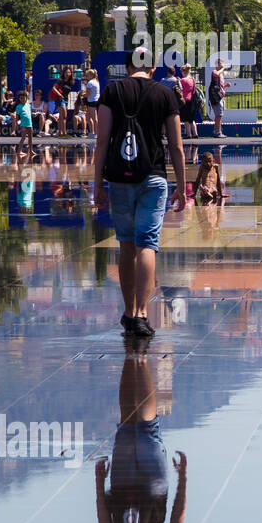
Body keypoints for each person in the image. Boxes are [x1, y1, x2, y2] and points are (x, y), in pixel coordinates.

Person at [93, 52, 186, 338]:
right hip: (154, 176)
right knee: (147, 244)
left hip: (119, 178)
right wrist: (181, 186)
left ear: (128, 67)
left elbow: (102, 141)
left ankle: (129, 311)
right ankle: (143, 315)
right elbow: (176, 145)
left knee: (126, 244)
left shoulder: (111, 92)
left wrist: (97, 184)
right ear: (154, 69)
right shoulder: (165, 94)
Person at [95, 344, 187, 523]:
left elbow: (177, 518)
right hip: (122, 485)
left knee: (148, 426)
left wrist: (183, 478)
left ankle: (142, 356)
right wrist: (99, 484)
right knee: (127, 421)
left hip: (154, 487)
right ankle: (131, 355)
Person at [177, 64, 197, 139]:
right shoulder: (192, 79)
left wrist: (179, 80)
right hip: (192, 100)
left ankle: (189, 135)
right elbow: (194, 90)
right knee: (191, 119)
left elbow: (180, 89)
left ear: (183, 71)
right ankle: (195, 134)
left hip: (185, 100)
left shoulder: (182, 80)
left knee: (185, 119)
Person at [208, 58, 227, 137]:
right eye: (220, 63)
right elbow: (216, 74)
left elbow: (220, 87)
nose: (222, 65)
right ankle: (217, 132)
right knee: (218, 114)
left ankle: (218, 131)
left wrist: (226, 86)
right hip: (216, 97)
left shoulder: (221, 75)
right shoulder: (215, 72)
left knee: (220, 115)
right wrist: (222, 69)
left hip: (220, 96)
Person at [14, 89, 34, 157]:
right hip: (23, 124)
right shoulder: (18, 107)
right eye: (21, 98)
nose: (23, 99)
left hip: (30, 124)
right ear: (19, 99)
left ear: (26, 98)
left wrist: (34, 114)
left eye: (24, 98)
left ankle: (31, 150)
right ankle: (19, 151)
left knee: (30, 138)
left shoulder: (28, 105)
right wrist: (16, 124)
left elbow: (29, 114)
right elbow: (17, 116)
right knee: (23, 137)